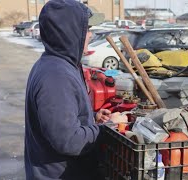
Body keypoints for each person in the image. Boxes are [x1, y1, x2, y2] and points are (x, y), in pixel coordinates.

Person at [24, 0, 127, 179]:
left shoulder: (59, 64)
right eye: (86, 30)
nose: (90, 36)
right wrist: (109, 128)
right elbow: (68, 141)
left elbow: (60, 120)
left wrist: (92, 118)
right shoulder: (56, 76)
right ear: (69, 32)